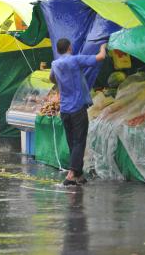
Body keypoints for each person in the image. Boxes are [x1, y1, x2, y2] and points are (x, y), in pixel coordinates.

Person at [50, 38, 107, 186]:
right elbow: (100, 58)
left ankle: (79, 175)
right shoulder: (74, 60)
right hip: (77, 108)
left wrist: (63, 82)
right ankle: (71, 174)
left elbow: (51, 78)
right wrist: (103, 47)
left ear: (58, 50)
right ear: (70, 47)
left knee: (72, 142)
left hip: (64, 110)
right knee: (79, 141)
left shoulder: (55, 64)